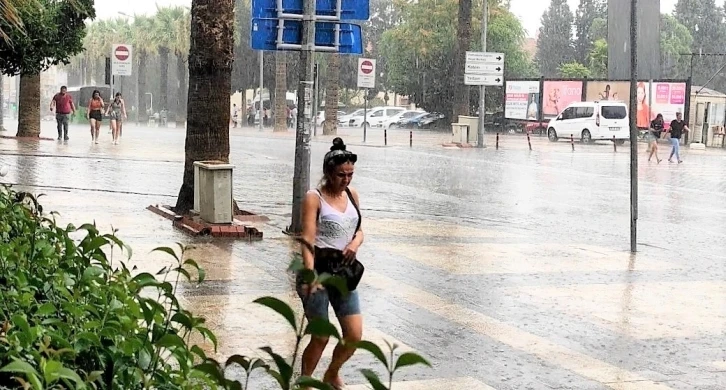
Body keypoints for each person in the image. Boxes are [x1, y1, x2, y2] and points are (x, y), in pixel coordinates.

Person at [298, 137, 363, 389]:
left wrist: (354, 244)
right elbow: (307, 239)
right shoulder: (314, 197)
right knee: (321, 335)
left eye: (350, 174)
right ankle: (305, 382)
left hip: (345, 273)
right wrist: (309, 275)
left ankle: (332, 373)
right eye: (340, 175)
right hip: (319, 271)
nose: (345, 180)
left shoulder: (352, 195)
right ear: (328, 172)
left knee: (354, 335)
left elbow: (359, 230)